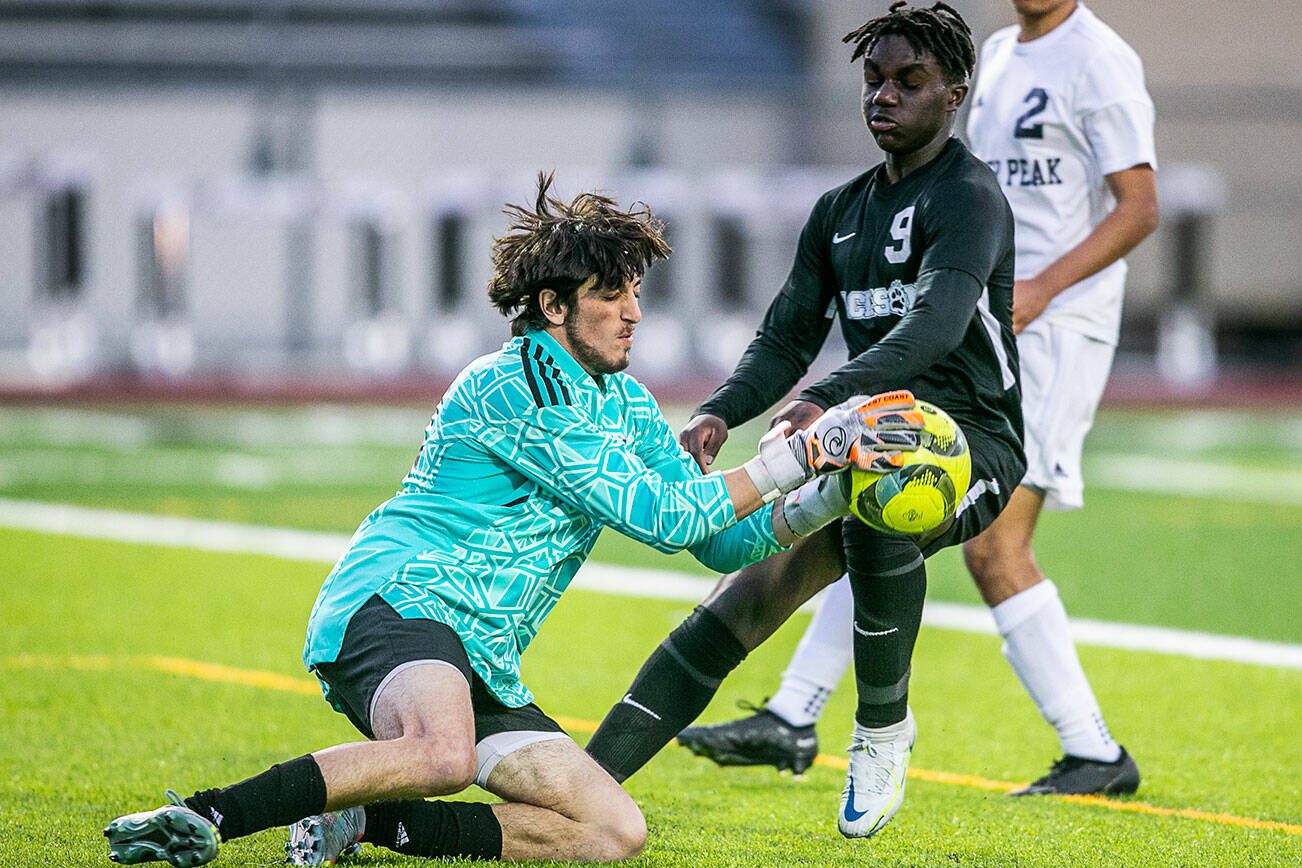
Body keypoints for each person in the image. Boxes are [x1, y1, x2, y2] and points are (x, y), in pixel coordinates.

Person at [102, 174, 917, 867]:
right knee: (444, 756)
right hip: (397, 605)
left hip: (481, 655)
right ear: (553, 303)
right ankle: (206, 816)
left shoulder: (623, 402)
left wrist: (833, 491)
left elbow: (716, 539)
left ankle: (366, 820)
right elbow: (666, 516)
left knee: (610, 830)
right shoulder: (515, 385)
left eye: (637, 292)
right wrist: (805, 451)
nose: (633, 313)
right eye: (611, 294)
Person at [675, 0, 1158, 799]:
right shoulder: (999, 54)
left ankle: (1095, 751)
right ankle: (796, 711)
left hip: (1051, 324)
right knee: (882, 497)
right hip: (971, 313)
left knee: (990, 543)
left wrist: (1039, 286)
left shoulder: (1098, 58)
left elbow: (1140, 205)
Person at [585, 2, 1028, 840]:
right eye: (873, 80)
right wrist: (721, 411)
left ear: (954, 94)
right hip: (870, 430)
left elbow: (933, 324)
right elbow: (788, 335)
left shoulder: (970, 197)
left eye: (908, 81)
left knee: (882, 478)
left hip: (974, 443)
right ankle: (584, 780)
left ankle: (883, 729)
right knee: (744, 598)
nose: (884, 96)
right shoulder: (839, 211)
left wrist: (824, 399)